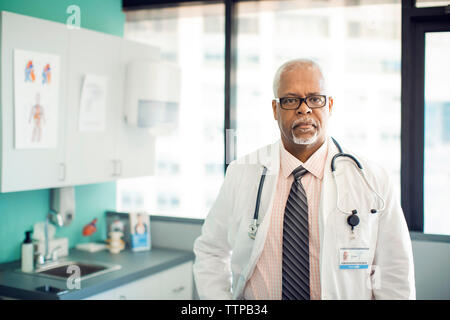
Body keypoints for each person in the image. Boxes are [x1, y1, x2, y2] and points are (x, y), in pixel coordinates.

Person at [193, 58, 415, 300]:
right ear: (275, 110)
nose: (304, 108)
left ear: (329, 105)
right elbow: (211, 251)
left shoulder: (372, 180)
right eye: (290, 100)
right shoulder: (241, 172)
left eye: (315, 98)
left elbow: (394, 272)